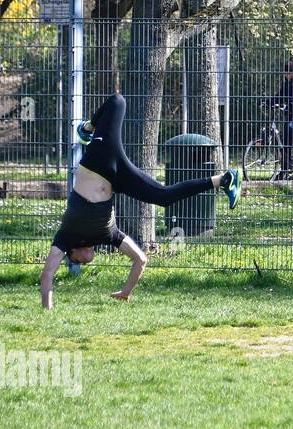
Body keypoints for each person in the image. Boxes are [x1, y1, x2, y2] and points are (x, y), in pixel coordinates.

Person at [39, 93, 242, 309]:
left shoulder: (65, 237)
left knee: (118, 101)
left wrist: (47, 307)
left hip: (98, 162)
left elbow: (47, 274)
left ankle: (86, 128)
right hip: (118, 178)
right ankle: (224, 180)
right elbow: (141, 260)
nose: (86, 260)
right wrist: (126, 292)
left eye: (77, 261)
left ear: (72, 253)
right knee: (164, 197)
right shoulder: (108, 235)